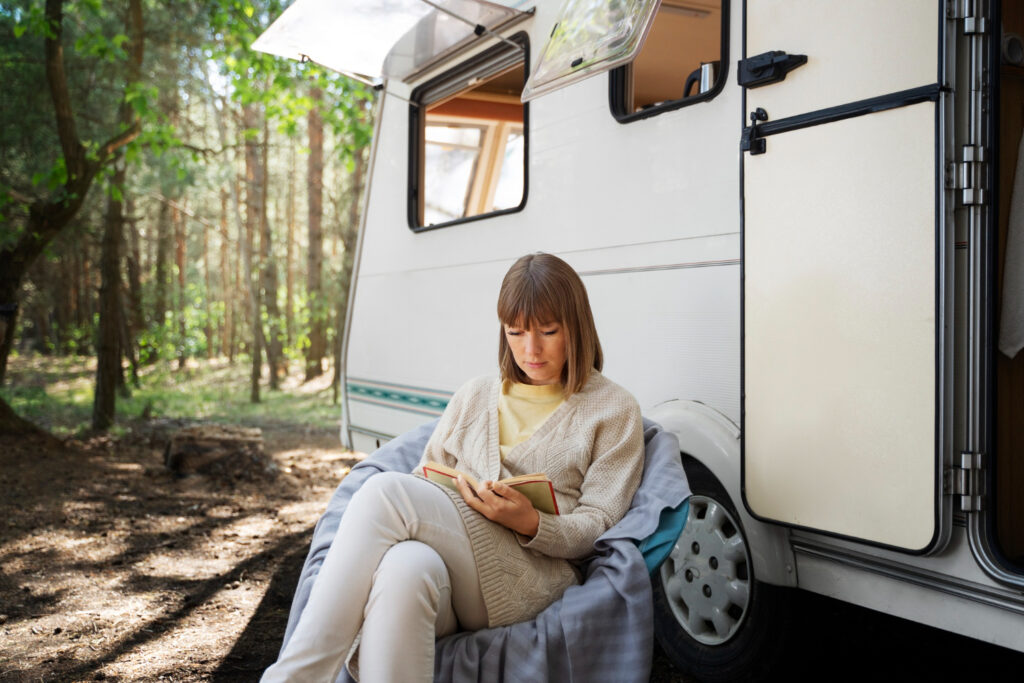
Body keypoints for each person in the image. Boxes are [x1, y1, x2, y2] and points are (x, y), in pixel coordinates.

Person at [262, 252, 645, 682]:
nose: (530, 349)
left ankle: (292, 677)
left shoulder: (613, 410)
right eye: (515, 332)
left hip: (533, 577)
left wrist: (532, 522)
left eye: (548, 332)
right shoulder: (474, 395)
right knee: (404, 568)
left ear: (577, 326)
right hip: (458, 576)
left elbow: (602, 523)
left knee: (385, 492)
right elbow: (426, 479)